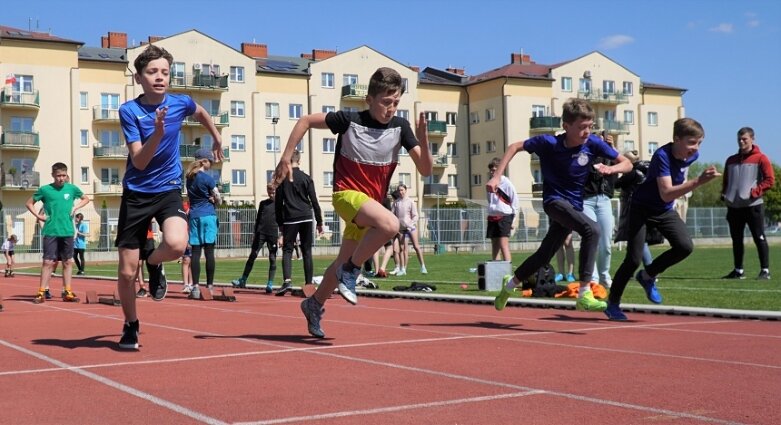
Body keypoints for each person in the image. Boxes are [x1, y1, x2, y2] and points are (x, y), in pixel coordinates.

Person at [274, 67, 432, 338]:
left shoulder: (401, 128)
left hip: (368, 205)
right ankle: (352, 270)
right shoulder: (348, 120)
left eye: (396, 103)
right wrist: (286, 157)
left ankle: (314, 303)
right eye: (385, 102)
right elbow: (305, 121)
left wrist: (424, 137)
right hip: (346, 195)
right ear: (369, 100)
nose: (391, 109)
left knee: (341, 262)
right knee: (391, 224)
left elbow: (426, 170)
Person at [116, 44, 223, 350]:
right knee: (125, 271)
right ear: (139, 77)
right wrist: (159, 134)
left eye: (165, 72)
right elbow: (138, 161)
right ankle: (131, 324)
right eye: (152, 72)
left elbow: (200, 111)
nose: (160, 77)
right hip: (136, 193)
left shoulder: (180, 103)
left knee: (177, 244)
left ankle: (153, 263)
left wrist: (216, 136)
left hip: (168, 188)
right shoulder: (130, 111)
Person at [490, 98, 631, 313]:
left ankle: (508, 286)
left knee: (544, 255)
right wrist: (497, 176)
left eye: (590, 126)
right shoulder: (549, 143)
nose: (587, 131)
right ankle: (584, 293)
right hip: (554, 201)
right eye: (582, 127)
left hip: (574, 205)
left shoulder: (593, 143)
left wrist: (611, 169)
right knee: (592, 229)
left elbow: (627, 163)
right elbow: (514, 146)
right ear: (566, 126)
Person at [606, 118, 721, 320]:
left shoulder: (692, 156)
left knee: (685, 246)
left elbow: (673, 188)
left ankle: (647, 275)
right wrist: (698, 181)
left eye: (699, 143)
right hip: (641, 207)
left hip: (665, 210)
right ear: (676, 139)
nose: (695, 148)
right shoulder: (662, 156)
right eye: (691, 142)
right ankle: (613, 303)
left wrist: (687, 188)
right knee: (632, 259)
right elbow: (666, 192)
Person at [25, 162, 90, 303]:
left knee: (67, 262)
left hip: (67, 231)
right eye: (58, 175)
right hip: (51, 231)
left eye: (63, 175)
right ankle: (41, 292)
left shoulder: (72, 189)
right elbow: (29, 203)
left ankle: (67, 291)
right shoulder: (45, 190)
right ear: (53, 175)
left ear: (66, 175)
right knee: (48, 262)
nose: (61, 178)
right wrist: (38, 216)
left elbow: (86, 198)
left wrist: (75, 208)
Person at [721, 127, 775, 280]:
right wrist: (724, 194)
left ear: (752, 139)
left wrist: (754, 192)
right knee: (736, 239)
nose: (741, 141)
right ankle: (738, 271)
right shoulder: (730, 160)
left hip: (753, 206)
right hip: (734, 207)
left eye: (744, 138)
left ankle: (765, 270)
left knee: (759, 237)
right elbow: (726, 181)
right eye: (739, 139)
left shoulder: (761, 158)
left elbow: (770, 180)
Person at [274, 150, 323, 296]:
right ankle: (308, 284)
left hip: (290, 218)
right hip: (306, 216)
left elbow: (278, 204)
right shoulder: (306, 178)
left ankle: (287, 281)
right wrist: (319, 221)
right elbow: (314, 201)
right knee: (306, 250)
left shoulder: (283, 181)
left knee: (288, 250)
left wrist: (280, 223)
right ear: (299, 161)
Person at [582, 131, 617, 287]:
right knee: (592, 238)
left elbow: (618, 170)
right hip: (585, 200)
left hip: (604, 199)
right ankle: (593, 277)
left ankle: (604, 274)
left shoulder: (607, 156)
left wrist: (612, 147)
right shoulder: (583, 155)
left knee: (606, 242)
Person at [186, 148, 221, 297]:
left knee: (195, 253)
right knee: (209, 252)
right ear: (204, 161)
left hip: (194, 216)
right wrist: (215, 201)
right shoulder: (208, 179)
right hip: (208, 215)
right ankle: (210, 286)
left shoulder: (188, 178)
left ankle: (195, 287)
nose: (211, 165)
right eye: (210, 162)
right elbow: (218, 198)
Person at [232, 183, 280, 294]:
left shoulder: (280, 204)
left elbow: (283, 221)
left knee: (272, 258)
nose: (271, 192)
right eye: (269, 190)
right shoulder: (263, 204)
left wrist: (281, 235)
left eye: (273, 190)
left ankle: (270, 283)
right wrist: (255, 233)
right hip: (261, 233)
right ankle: (243, 280)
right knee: (253, 255)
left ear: (277, 190)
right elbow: (258, 220)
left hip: (273, 234)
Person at [614, 151, 657, 267]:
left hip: (632, 208)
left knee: (639, 241)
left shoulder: (631, 173)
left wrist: (616, 169)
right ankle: (629, 268)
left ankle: (650, 268)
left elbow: (616, 183)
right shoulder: (645, 169)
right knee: (635, 241)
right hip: (646, 206)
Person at [486, 157, 519, 262]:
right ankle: (496, 271)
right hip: (492, 217)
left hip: (505, 216)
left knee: (503, 245)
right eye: (491, 170)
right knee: (495, 246)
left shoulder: (507, 183)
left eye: (494, 170)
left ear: (501, 169)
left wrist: (512, 221)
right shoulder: (489, 184)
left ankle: (508, 271)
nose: (492, 172)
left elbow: (515, 202)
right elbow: (490, 200)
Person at [393, 183, 428, 275]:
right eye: (399, 190)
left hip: (411, 228)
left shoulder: (410, 201)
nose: (400, 192)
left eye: (402, 190)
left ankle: (423, 267)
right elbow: (393, 216)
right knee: (402, 249)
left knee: (416, 247)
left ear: (405, 190)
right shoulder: (396, 202)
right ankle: (403, 269)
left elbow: (416, 216)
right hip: (401, 229)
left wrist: (410, 225)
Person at [375, 195, 400, 278]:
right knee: (389, 247)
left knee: (375, 248)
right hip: (384, 225)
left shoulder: (373, 198)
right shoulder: (385, 199)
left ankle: (376, 270)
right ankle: (382, 268)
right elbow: (389, 213)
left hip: (374, 225)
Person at [135, 224, 155, 298]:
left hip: (148, 237)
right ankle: (142, 287)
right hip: (136, 237)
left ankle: (153, 287)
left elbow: (153, 218)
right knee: (138, 263)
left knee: (151, 262)